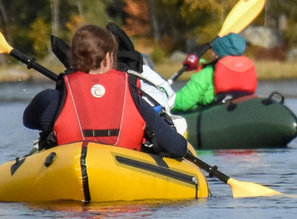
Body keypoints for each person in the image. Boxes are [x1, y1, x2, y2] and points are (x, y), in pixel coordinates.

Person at [23, 24, 191, 157]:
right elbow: (177, 147)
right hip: (122, 171)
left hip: (69, 168)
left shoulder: (52, 98)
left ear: (72, 58)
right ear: (108, 58)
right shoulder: (133, 98)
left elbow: (28, 121)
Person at [173, 31, 257, 113]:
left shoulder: (206, 73)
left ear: (217, 55)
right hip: (234, 112)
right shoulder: (243, 69)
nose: (210, 53)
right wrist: (199, 64)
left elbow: (183, 102)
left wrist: (165, 99)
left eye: (213, 50)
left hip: (208, 117)